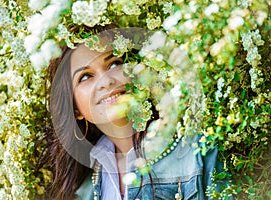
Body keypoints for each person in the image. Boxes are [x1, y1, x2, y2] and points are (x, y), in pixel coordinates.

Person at [40, 29, 230, 200]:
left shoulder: (197, 152)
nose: (106, 81)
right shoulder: (85, 190)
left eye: (114, 64)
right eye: (86, 77)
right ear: (75, 110)